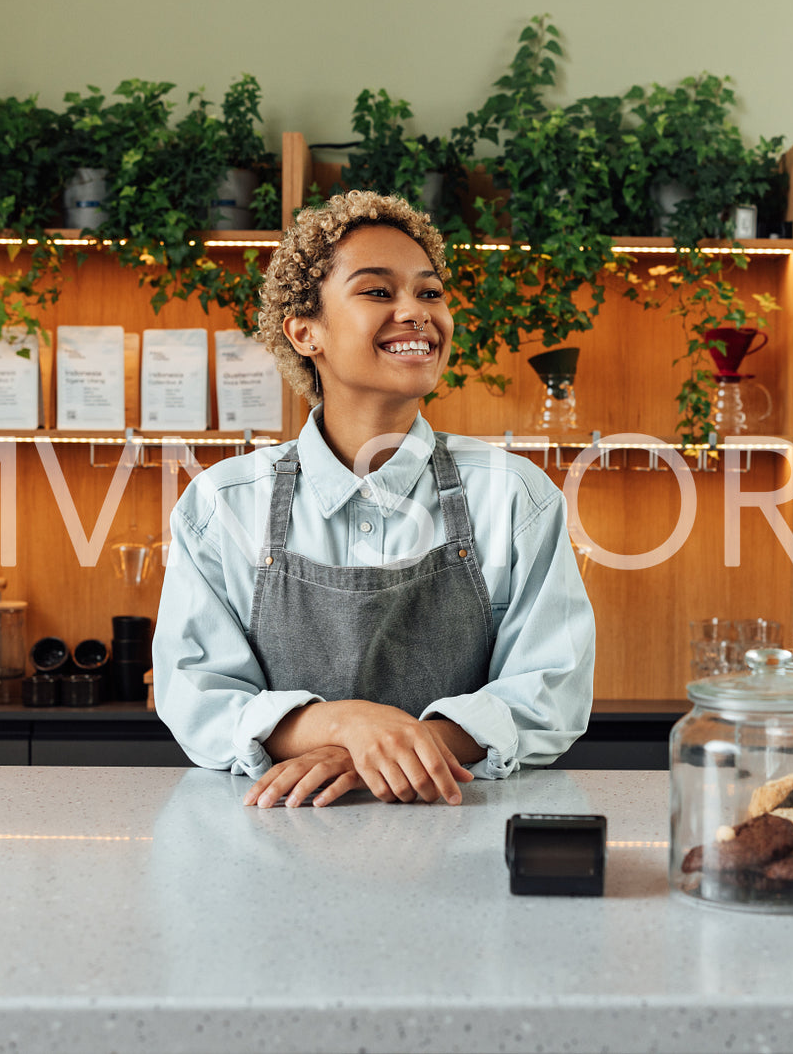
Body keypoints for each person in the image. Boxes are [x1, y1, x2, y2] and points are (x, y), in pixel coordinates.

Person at [153, 190, 594, 808]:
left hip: (461, 838)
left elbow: (551, 691)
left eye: (430, 292)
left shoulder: (515, 495)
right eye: (378, 292)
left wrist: (385, 750)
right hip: (274, 845)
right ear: (306, 332)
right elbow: (196, 693)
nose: (415, 312)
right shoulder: (221, 504)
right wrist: (345, 726)